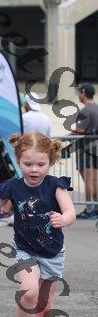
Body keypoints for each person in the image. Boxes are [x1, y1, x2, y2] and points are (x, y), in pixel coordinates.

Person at [0, 132, 75, 317]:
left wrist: (63, 219)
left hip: (52, 252)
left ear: (50, 162)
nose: (34, 169)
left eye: (41, 164)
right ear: (18, 160)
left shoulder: (56, 185)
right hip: (25, 250)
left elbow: (70, 211)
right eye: (28, 164)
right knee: (29, 291)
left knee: (45, 302)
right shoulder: (13, 186)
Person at [72, 83, 98, 219]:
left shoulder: (85, 111)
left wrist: (64, 138)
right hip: (96, 148)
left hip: (86, 149)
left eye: (79, 93)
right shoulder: (96, 108)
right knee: (94, 179)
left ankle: (89, 209)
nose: (78, 95)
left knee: (88, 179)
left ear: (83, 92)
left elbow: (79, 131)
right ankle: (95, 207)